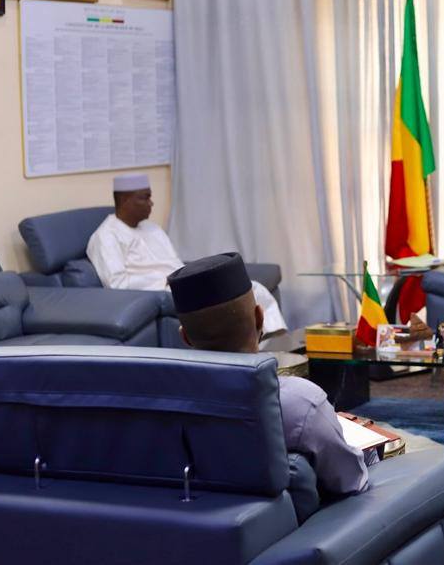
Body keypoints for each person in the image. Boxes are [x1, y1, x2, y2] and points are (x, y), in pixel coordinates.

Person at [168, 253, 369, 495]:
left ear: (185, 337)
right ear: (260, 318)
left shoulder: (161, 404)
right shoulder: (299, 402)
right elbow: (350, 480)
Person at [86, 172, 286, 335]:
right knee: (236, 295)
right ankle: (261, 346)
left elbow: (174, 262)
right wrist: (164, 280)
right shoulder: (105, 236)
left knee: (252, 288)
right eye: (145, 197)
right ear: (125, 200)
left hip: (183, 281)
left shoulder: (152, 228)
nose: (151, 203)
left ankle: (273, 343)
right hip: (163, 290)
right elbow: (117, 284)